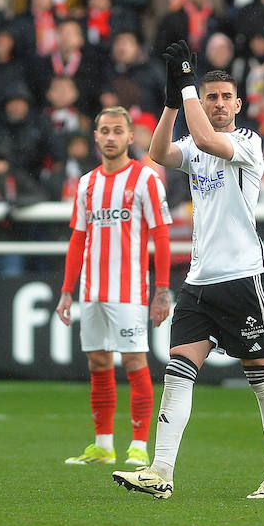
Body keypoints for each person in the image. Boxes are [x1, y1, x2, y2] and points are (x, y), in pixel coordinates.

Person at [115, 46, 264, 500]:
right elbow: (156, 152)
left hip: (244, 278)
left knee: (260, 373)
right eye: (210, 96)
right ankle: (160, 471)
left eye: (224, 97)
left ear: (238, 104)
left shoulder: (247, 144)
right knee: (177, 372)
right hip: (199, 282)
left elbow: (210, 140)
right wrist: (173, 98)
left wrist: (190, 82)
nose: (216, 103)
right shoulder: (194, 144)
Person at [57, 106, 173, 468]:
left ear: (130, 137)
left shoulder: (145, 179)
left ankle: (139, 445)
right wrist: (66, 290)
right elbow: (78, 239)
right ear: (96, 136)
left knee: (135, 360)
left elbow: (161, 236)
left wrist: (162, 289)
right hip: (91, 291)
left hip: (130, 292)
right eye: (104, 131)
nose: (110, 137)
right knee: (97, 361)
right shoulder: (86, 184)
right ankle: (103, 445)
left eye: (117, 131)